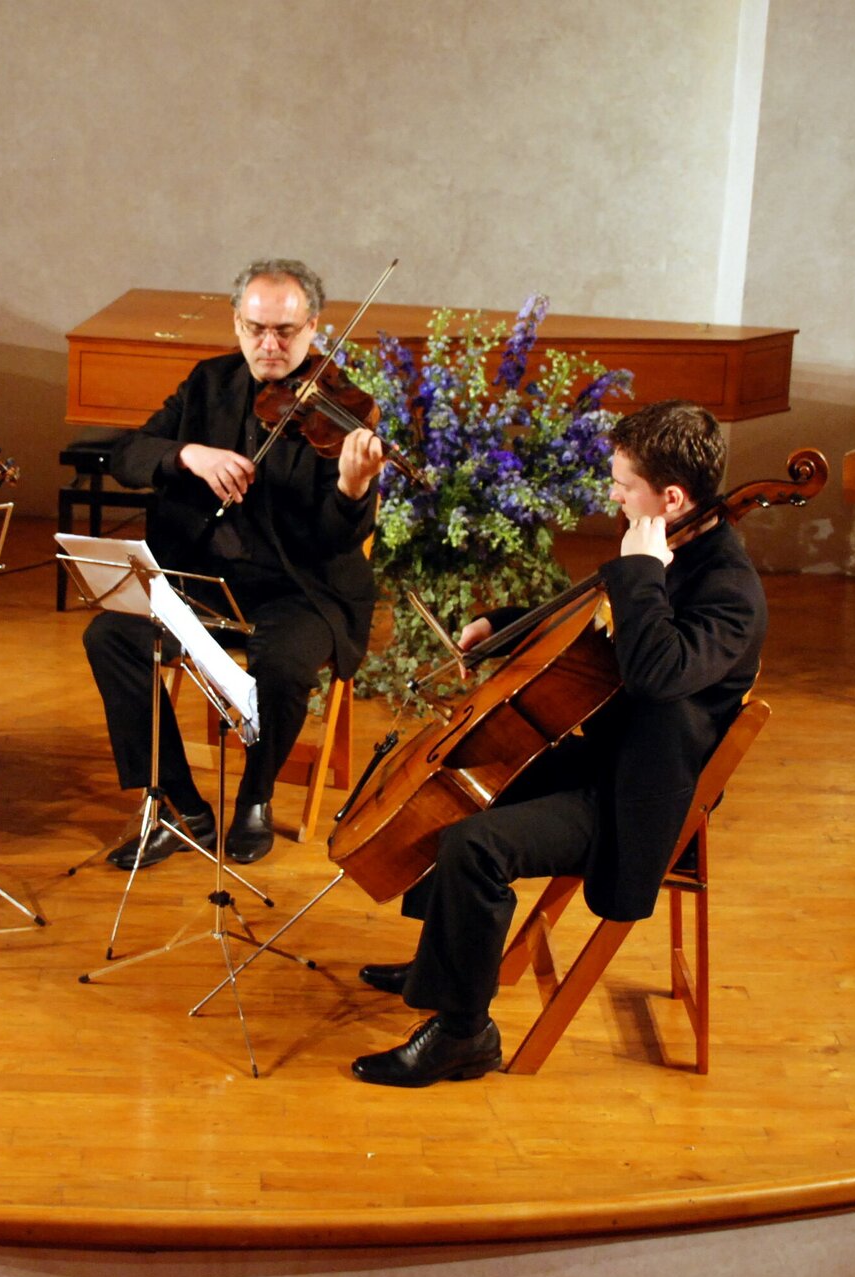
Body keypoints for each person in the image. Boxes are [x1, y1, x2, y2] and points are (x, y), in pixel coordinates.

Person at [351, 399, 767, 1087]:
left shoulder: (729, 593)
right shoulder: (668, 545)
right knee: (462, 782)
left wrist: (640, 572)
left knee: (474, 846)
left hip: (634, 799)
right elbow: (593, 625)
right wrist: (503, 625)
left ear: (671, 497)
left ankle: (465, 1034)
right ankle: (449, 962)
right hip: (606, 759)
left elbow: (655, 670)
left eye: (622, 483)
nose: (612, 493)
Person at [82, 259, 386, 869]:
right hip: (199, 577)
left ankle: (255, 794)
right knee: (111, 635)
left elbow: (334, 541)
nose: (269, 346)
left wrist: (352, 490)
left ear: (315, 328)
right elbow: (128, 454)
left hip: (299, 587)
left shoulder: (342, 409)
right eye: (255, 330)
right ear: (236, 324)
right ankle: (180, 802)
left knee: (282, 661)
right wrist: (188, 454)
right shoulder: (207, 384)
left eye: (286, 332)